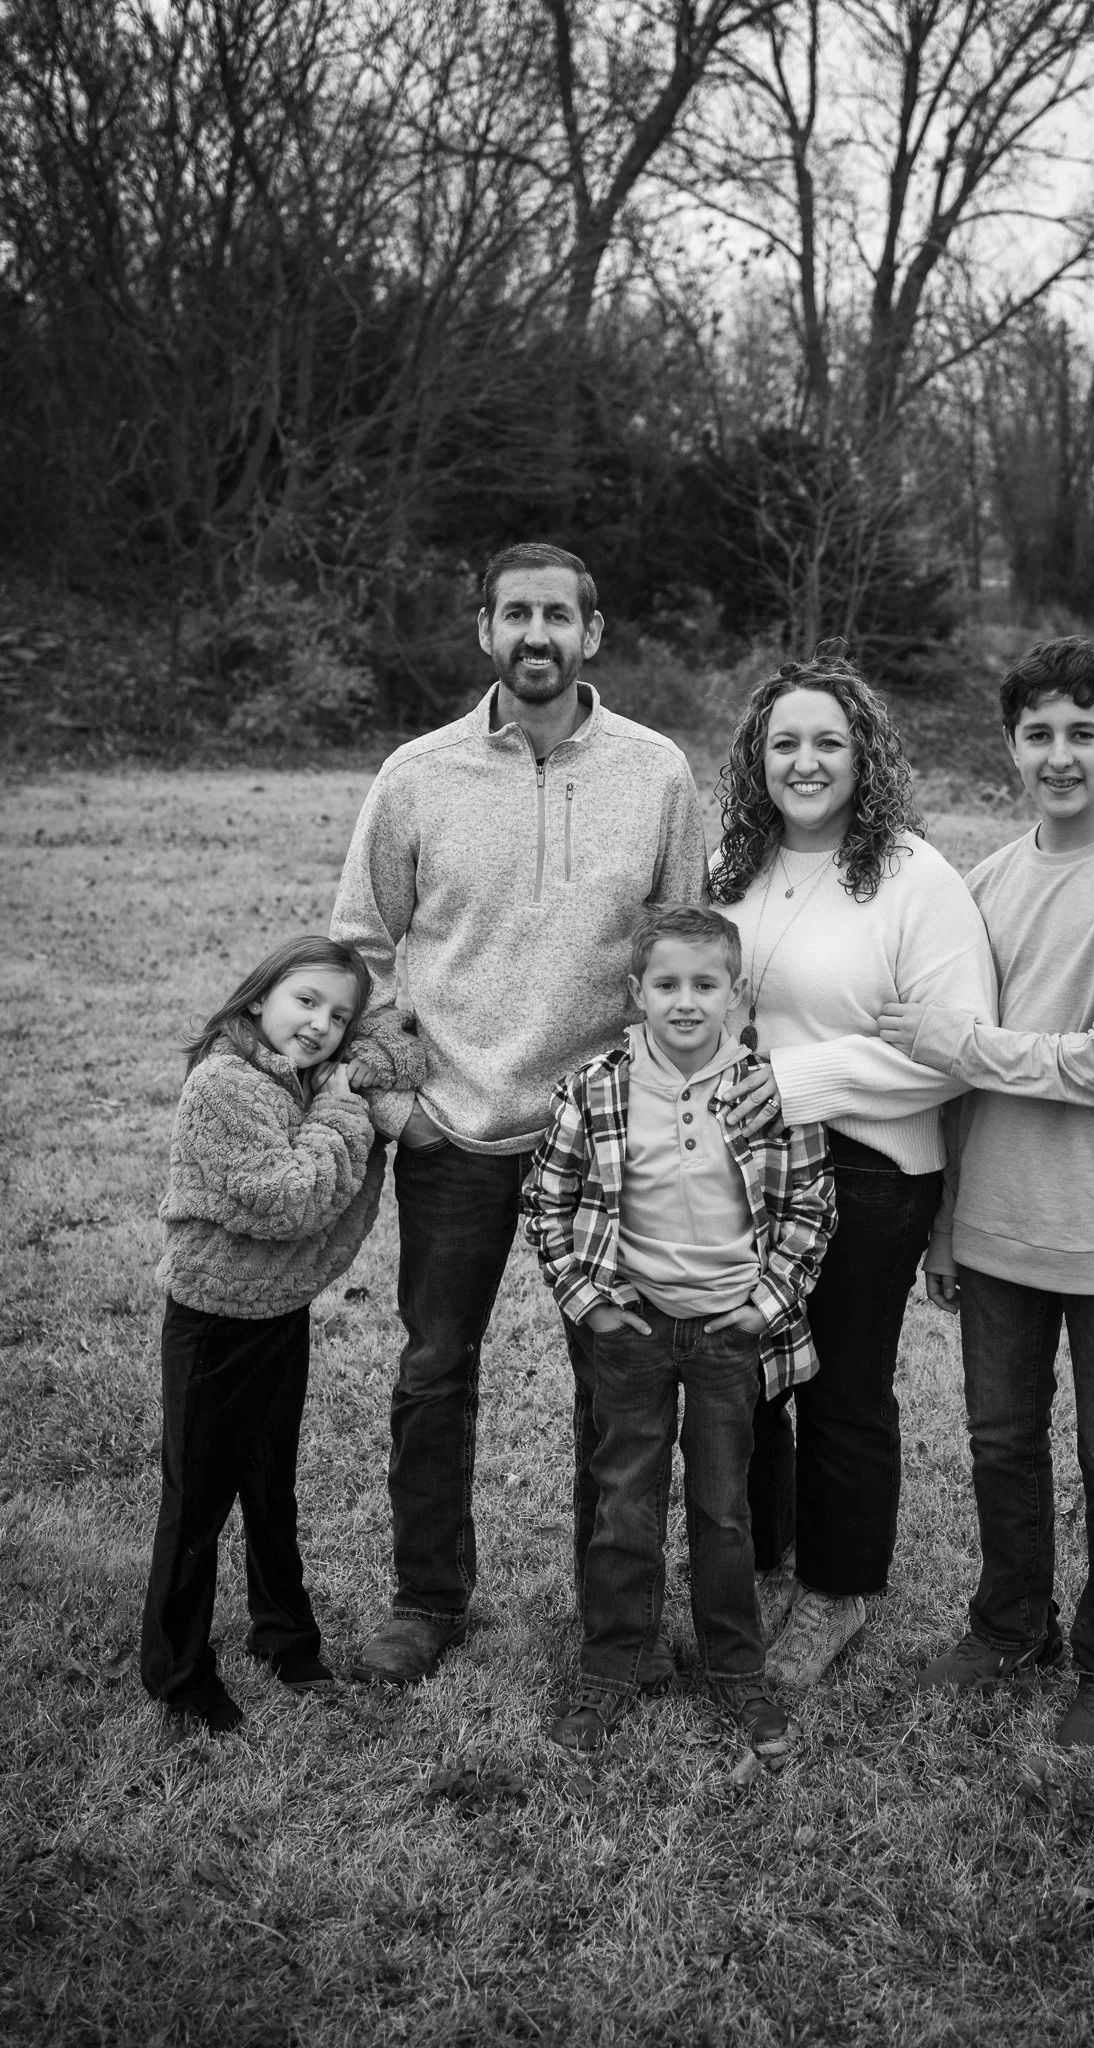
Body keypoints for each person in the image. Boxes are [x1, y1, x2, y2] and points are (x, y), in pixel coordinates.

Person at [331, 542, 707, 1686]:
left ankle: (613, 1613)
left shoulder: (657, 772)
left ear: (593, 632)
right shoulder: (418, 774)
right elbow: (356, 947)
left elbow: (685, 947)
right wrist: (396, 1104)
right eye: (515, 614)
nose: (536, 634)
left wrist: (655, 1103)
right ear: (484, 629)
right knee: (434, 1369)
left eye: (558, 615)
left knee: (620, 1382)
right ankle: (427, 1599)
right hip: (454, 1128)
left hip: (602, 1137)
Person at [878, 636, 1094, 1748]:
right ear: (1011, 747)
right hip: (995, 1222)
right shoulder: (984, 883)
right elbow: (956, 1083)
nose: (1059, 755)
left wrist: (962, 1041)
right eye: (1038, 734)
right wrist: (944, 1222)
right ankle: (1011, 1624)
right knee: (1000, 1441)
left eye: (1083, 733)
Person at [709, 650, 997, 1691]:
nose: (805, 760)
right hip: (741, 1164)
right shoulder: (732, 865)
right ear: (756, 757)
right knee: (745, 1369)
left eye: (828, 741)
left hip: (869, 1168)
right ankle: (765, 1549)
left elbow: (953, 1046)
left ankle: (839, 1587)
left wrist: (795, 1080)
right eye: (784, 741)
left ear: (864, 754)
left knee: (840, 1382)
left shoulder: (915, 878)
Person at [523, 904, 835, 1755]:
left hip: (730, 1334)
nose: (686, 1001)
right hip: (633, 1327)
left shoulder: (771, 1092)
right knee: (623, 1500)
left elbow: (809, 1210)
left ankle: (736, 1672)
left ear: (737, 993)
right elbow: (546, 1200)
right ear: (637, 992)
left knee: (723, 1508)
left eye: (705, 984)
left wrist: (760, 1308)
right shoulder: (596, 1087)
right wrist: (589, 1302)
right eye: (666, 984)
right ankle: (611, 1666)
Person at [141, 936, 424, 1733]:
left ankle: (285, 1637)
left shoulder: (301, 1070)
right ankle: (178, 1674)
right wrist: (341, 1102)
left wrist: (354, 1061)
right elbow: (289, 1197)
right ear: (259, 995)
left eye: (338, 1015)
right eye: (306, 1001)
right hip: (213, 1323)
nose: (320, 1025)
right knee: (196, 1503)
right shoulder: (224, 1086)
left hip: (278, 1311)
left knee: (271, 1487)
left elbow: (399, 1047)